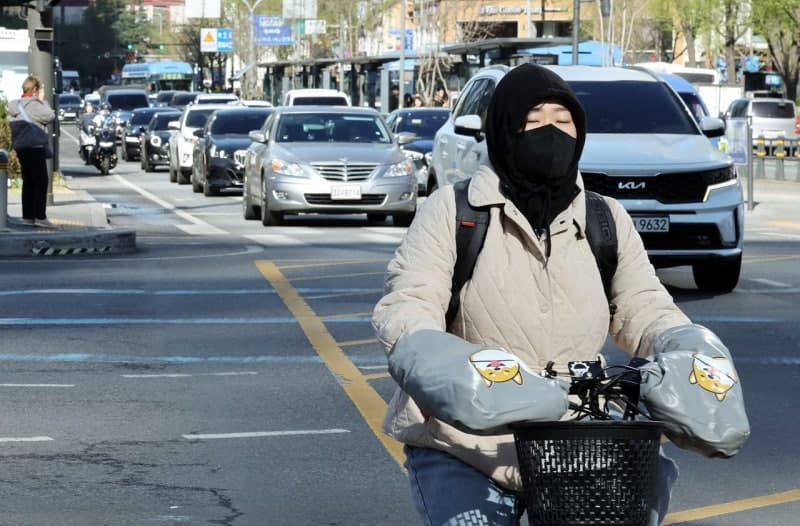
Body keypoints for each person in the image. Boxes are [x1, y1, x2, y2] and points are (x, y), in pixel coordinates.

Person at [371, 63, 724, 525]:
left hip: (578, 440)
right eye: (533, 121)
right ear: (503, 131)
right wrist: (436, 360)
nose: (550, 133)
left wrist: (685, 345)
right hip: (466, 444)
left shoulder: (605, 218)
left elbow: (644, 305)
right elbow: (410, 303)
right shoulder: (454, 211)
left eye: (563, 121)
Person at [7, 75, 55, 227]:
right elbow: (50, 115)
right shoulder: (34, 104)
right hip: (34, 147)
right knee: (41, 181)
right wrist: (43, 100)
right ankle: (40, 217)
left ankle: (28, 216)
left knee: (28, 182)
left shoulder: (15, 105)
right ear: (34, 89)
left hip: (22, 148)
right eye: (39, 89)